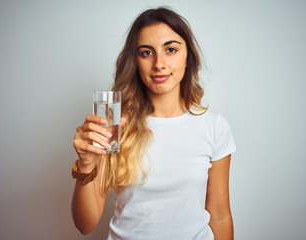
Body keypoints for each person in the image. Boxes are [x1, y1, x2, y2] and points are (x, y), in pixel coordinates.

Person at [72, 7, 236, 240]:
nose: (159, 63)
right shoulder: (115, 126)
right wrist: (86, 165)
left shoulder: (214, 127)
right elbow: (85, 224)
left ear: (187, 57)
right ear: (135, 62)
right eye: (146, 52)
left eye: (170, 50)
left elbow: (219, 215)